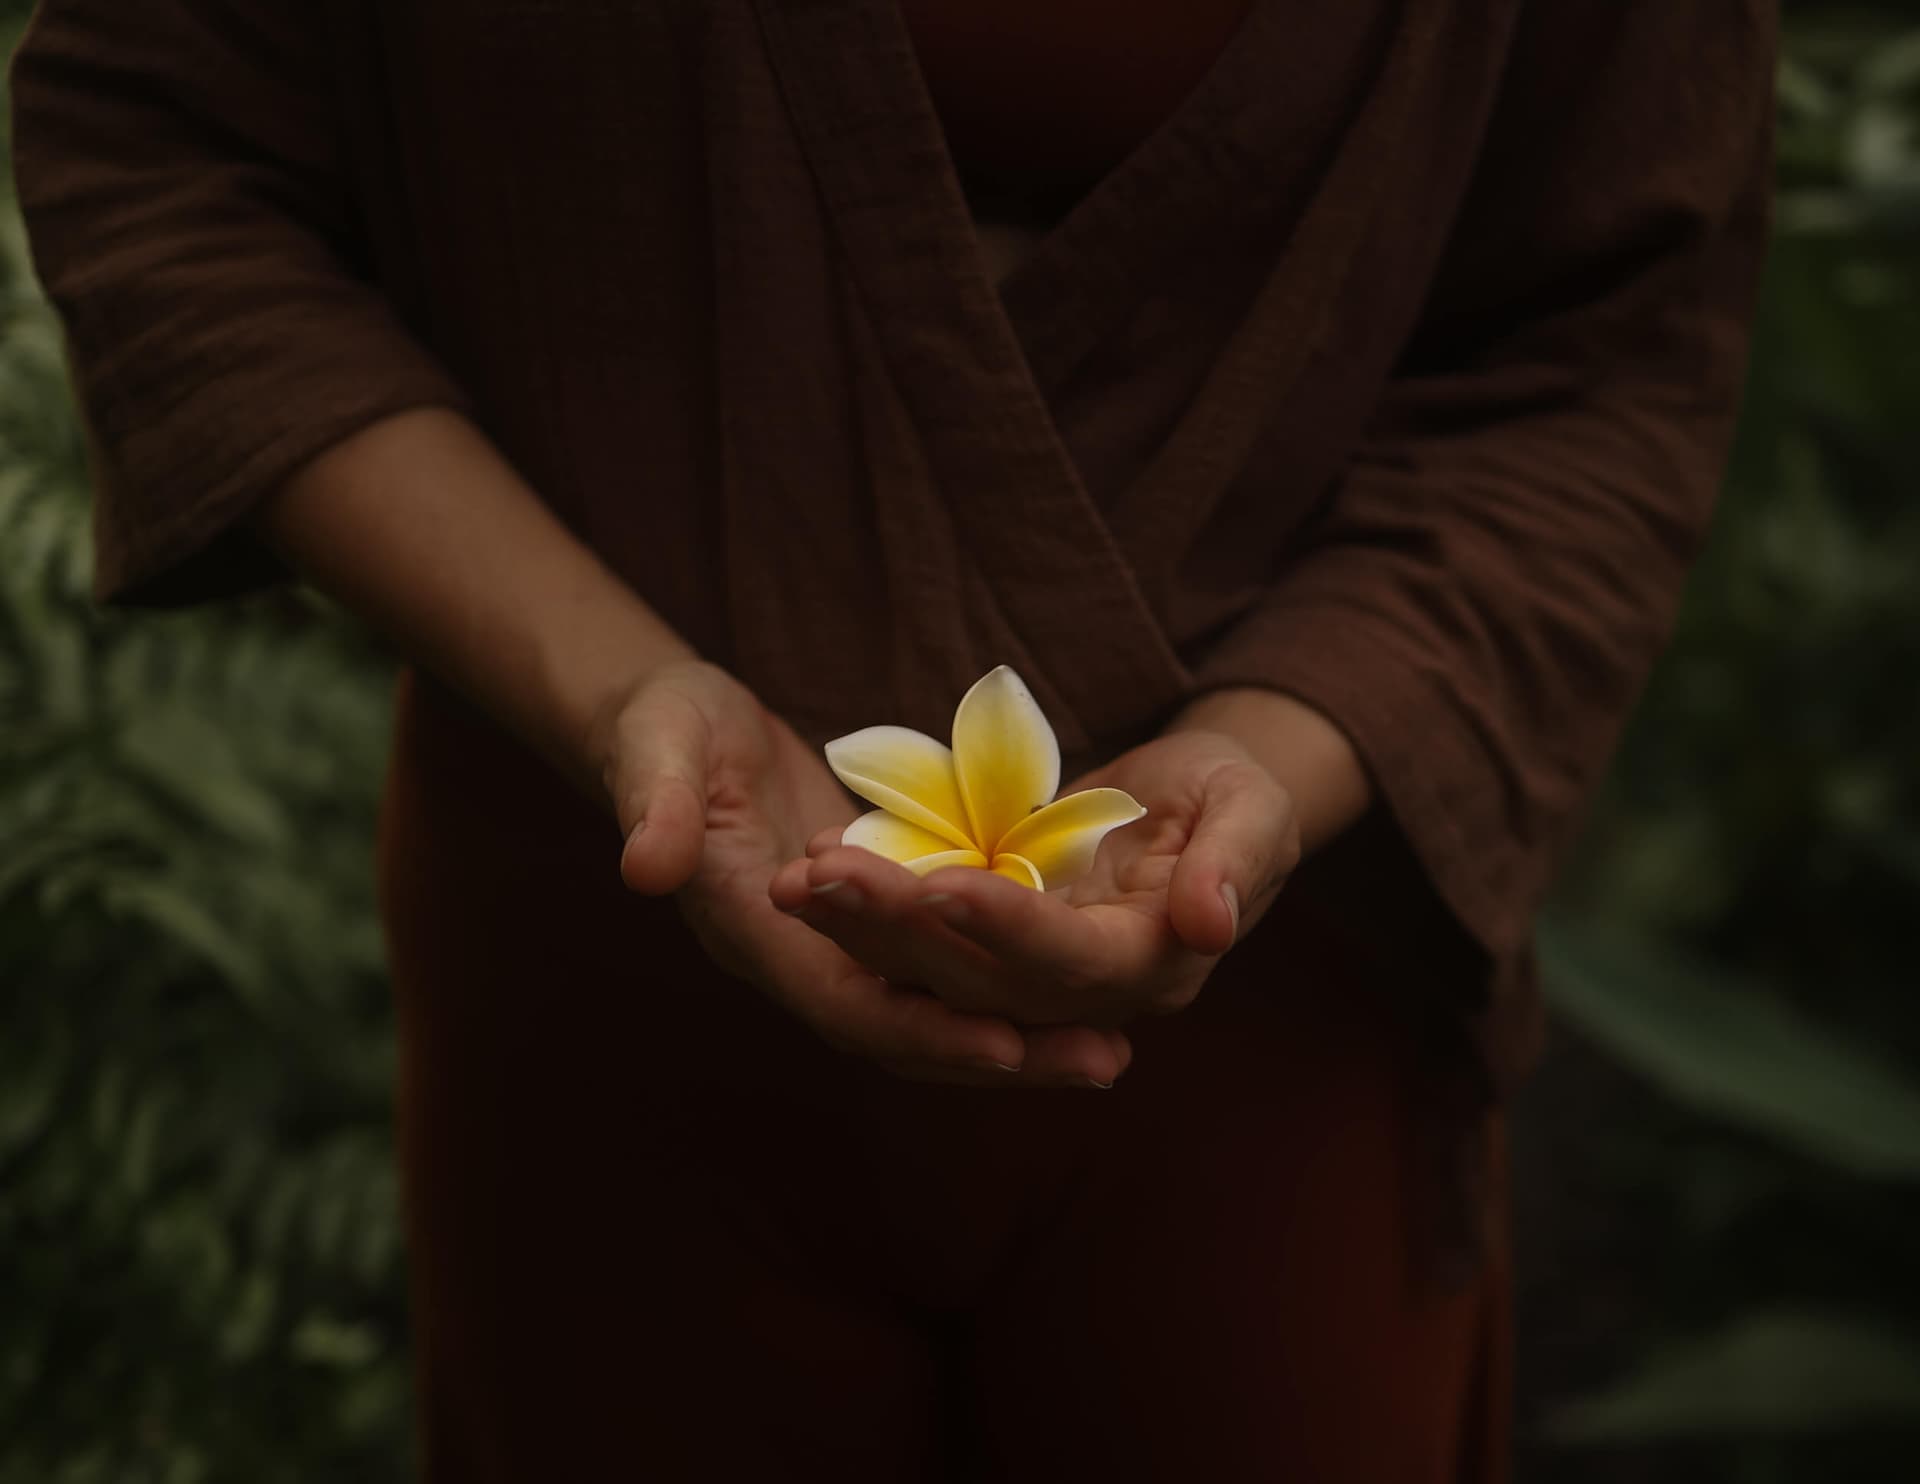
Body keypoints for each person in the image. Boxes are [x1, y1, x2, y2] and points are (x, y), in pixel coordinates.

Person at [9, 1, 1775, 1478]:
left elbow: (1611, 320)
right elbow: (168, 148)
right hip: (608, 931)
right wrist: (621, 687)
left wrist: (1277, 749)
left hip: (1275, 981)